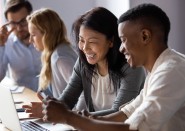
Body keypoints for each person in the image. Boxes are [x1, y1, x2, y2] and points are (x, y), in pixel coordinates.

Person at [40, 3, 185, 131]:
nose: (120, 49)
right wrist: (80, 119)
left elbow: (133, 128)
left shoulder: (171, 71)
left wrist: (70, 118)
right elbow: (126, 113)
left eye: (123, 40)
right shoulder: (158, 69)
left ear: (145, 36)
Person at [23, 7, 145, 117]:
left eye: (92, 41)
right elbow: (67, 100)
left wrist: (71, 116)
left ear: (111, 41)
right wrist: (49, 108)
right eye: (81, 40)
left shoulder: (131, 66)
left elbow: (119, 114)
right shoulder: (83, 63)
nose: (85, 48)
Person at [27, 8, 77, 98]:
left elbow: (82, 95)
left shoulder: (60, 58)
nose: (30, 40)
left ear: (47, 34)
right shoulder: (56, 52)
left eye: (33, 35)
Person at [0, 0, 41, 91]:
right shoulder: (6, 43)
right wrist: (1, 46)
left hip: (49, 98)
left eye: (23, 21)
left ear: (31, 17)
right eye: (13, 23)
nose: (19, 28)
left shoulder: (45, 38)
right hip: (22, 99)